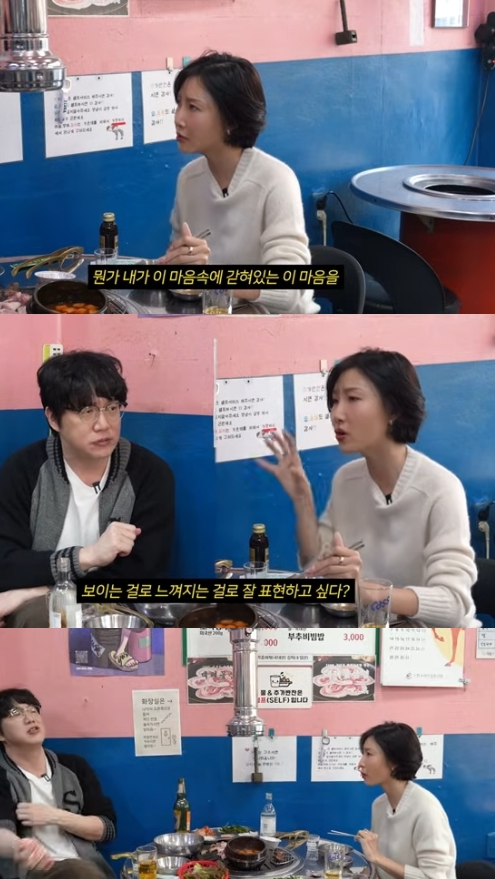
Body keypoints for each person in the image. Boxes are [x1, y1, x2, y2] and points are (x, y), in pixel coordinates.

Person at [258, 349, 478, 626]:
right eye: (334, 401)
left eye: (353, 399)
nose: (336, 414)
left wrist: (363, 591)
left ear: (394, 410)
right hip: (370, 629)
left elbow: (453, 604)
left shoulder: (441, 489)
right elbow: (314, 562)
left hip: (433, 642)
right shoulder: (347, 478)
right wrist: (303, 500)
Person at [0, 351, 175, 628]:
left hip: (116, 609)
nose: (103, 424)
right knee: (44, 618)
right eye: (86, 411)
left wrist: (40, 590)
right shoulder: (24, 470)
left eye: (112, 408)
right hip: (40, 614)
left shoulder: (149, 474)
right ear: (53, 419)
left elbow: (143, 577)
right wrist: (87, 557)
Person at [157, 52, 319, 315]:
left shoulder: (276, 180)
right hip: (216, 318)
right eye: (179, 104)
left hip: (277, 327)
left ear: (231, 120)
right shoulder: (188, 179)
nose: (178, 118)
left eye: (193, 107)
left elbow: (288, 290)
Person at [0, 688, 132, 879]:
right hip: (31, 876)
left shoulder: (74, 767)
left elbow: (106, 829)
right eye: (15, 713)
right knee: (82, 878)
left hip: (86, 868)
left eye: (33, 710)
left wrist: (55, 816)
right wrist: (17, 847)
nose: (30, 718)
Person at [346, 722, 459, 879]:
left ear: (394, 762)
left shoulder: (426, 809)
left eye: (369, 754)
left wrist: (377, 857)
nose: (360, 764)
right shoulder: (380, 804)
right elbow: (380, 866)